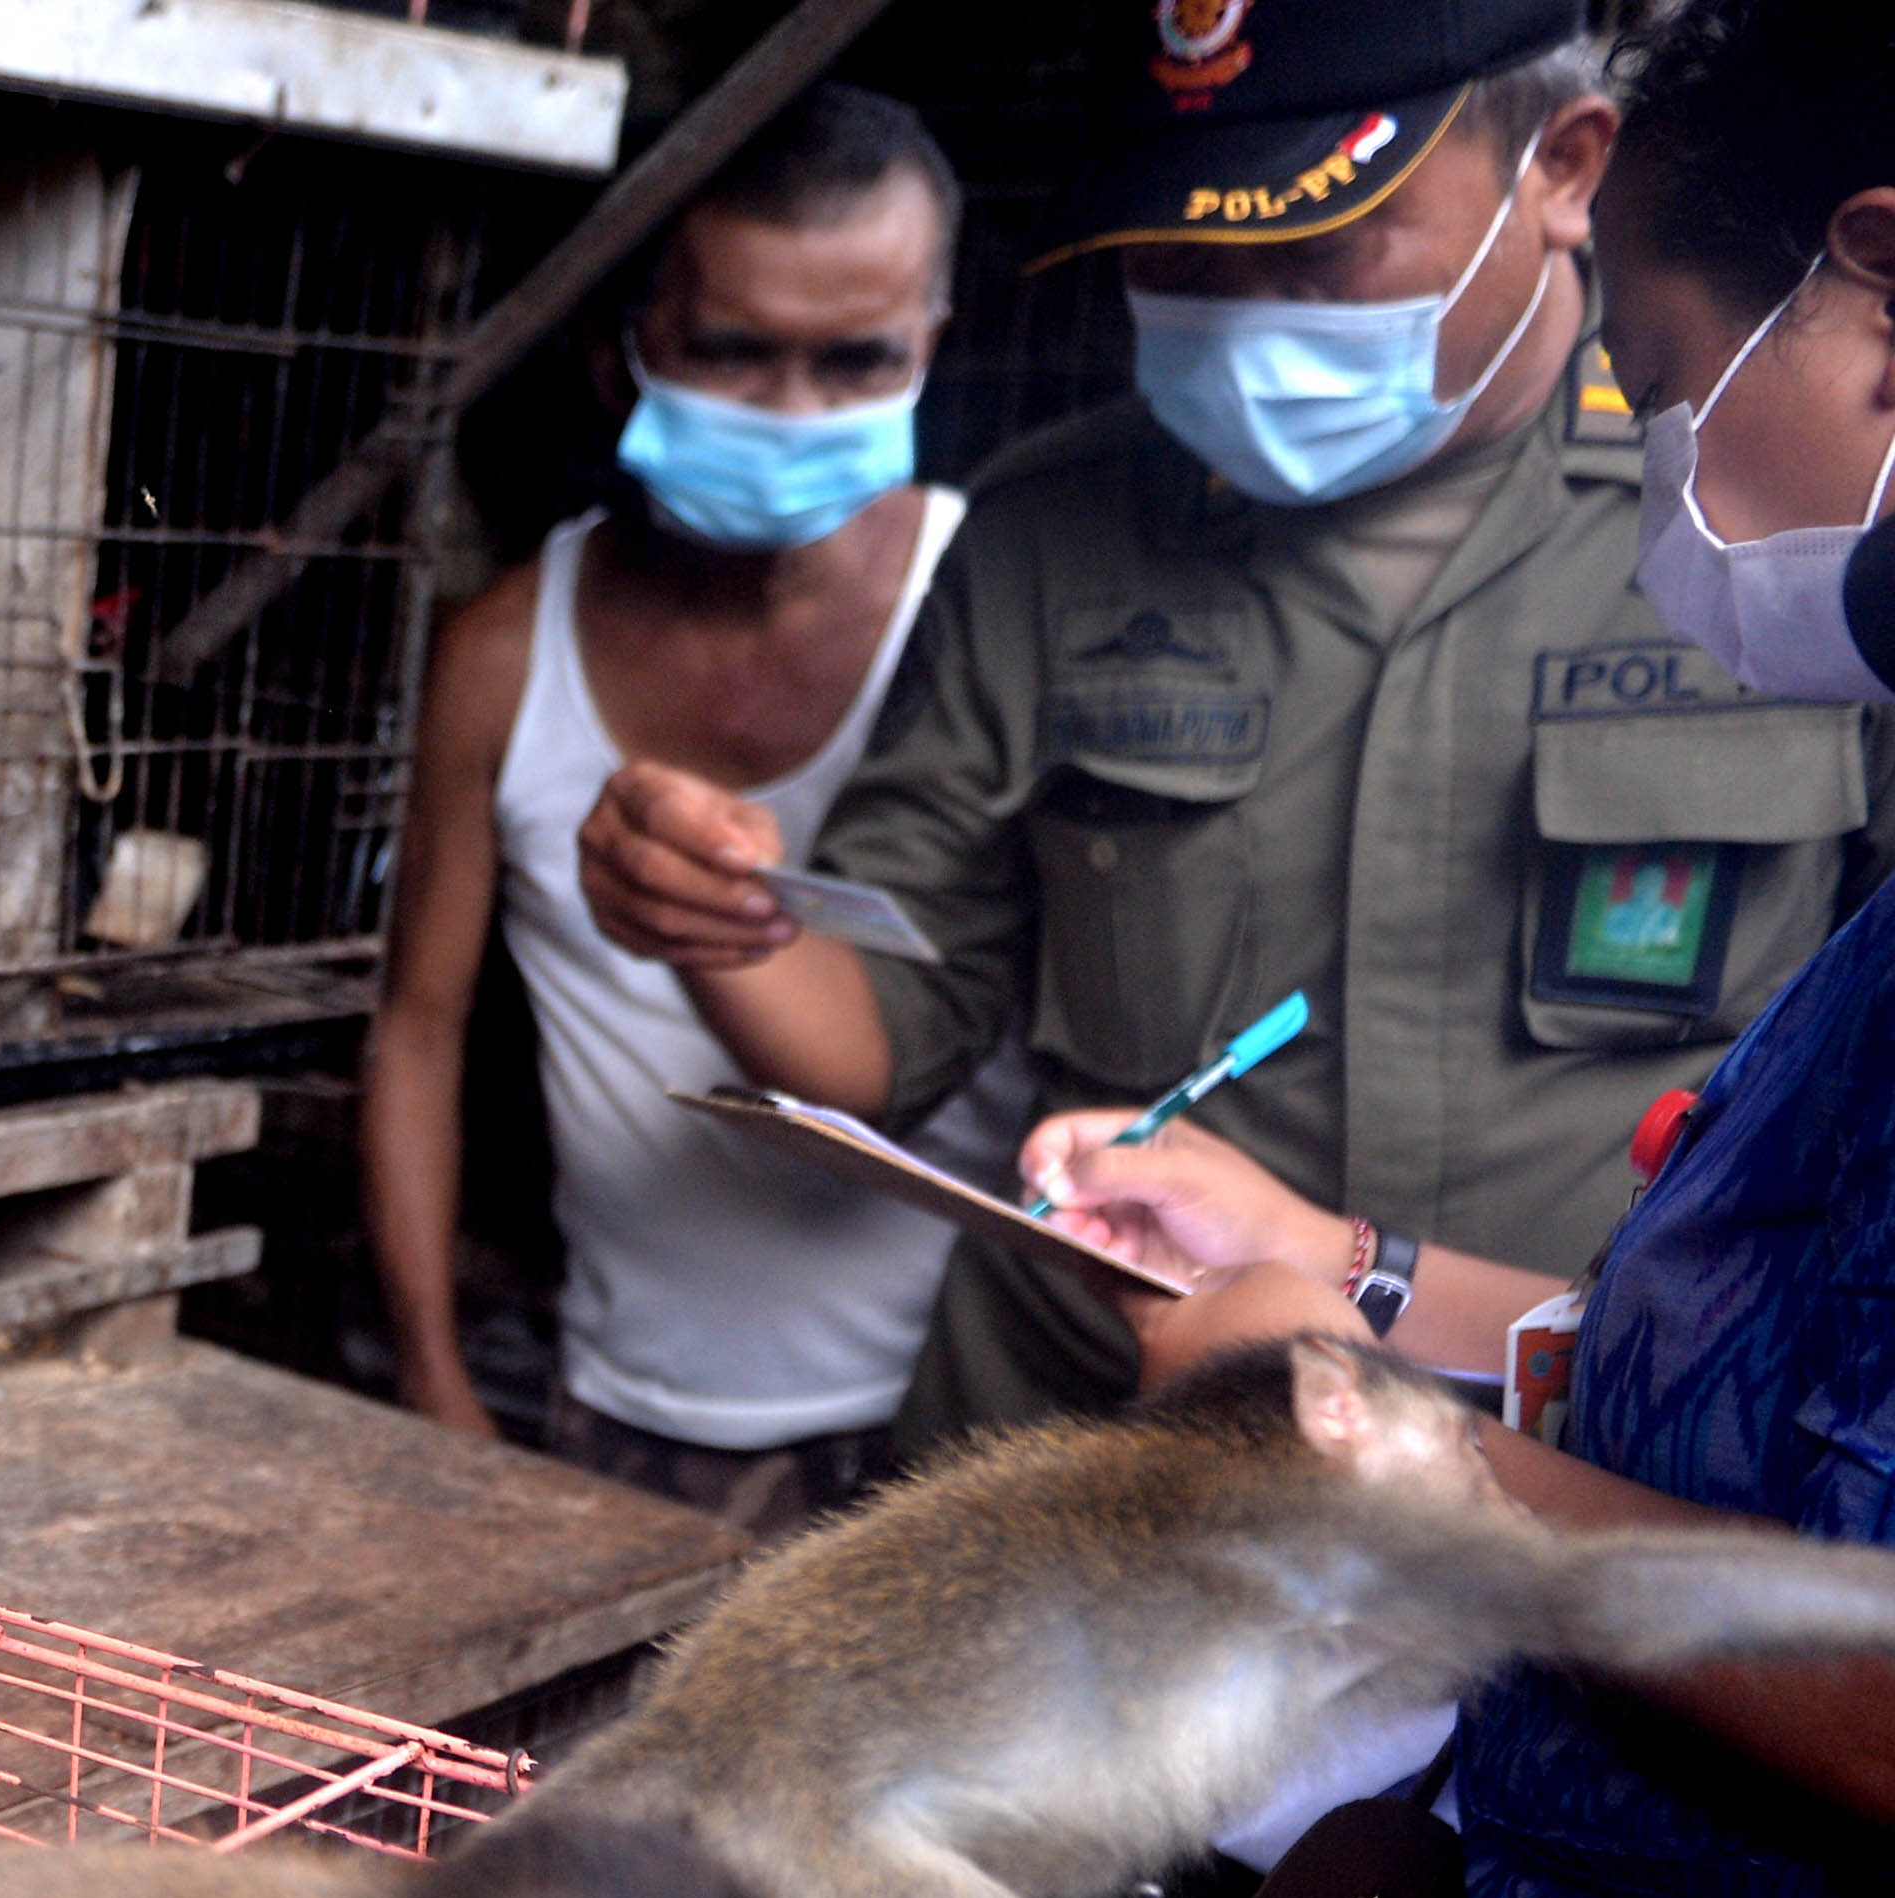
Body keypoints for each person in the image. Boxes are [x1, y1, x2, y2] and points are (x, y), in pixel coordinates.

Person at [569, 0, 1895, 1460]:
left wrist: (1365, 1302)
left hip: (1596, 1488)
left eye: (1314, 247)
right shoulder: (1041, 537)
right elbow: (886, 1038)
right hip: (1092, 1465)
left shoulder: (1782, 523)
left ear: (1567, 167)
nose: (1236, 311)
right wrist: (708, 913)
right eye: (1174, 262)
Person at [1027, 1, 1895, 1898]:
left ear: (1870, 277)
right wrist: (1355, 1271)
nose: (1664, 471)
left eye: (1676, 382)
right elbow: (1767, 1383)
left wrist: (1388, 1466)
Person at [360, 80, 1030, 1538]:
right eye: (736, 354)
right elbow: (418, 1024)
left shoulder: (999, 606)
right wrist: (434, 1381)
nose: (797, 414)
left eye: (856, 362)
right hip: (614, 1416)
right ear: (630, 346)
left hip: (961, 1420)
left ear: (931, 343)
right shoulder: (500, 657)